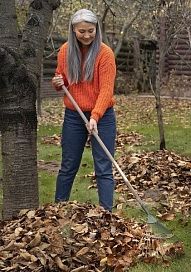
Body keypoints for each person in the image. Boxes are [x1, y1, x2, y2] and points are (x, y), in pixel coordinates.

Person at [51, 9, 117, 211]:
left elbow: (106, 90)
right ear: (73, 30)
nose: (87, 35)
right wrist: (57, 82)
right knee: (68, 165)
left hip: (103, 116)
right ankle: (58, 209)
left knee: (104, 167)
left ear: (97, 29)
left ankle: (107, 214)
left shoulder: (105, 54)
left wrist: (95, 116)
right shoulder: (65, 51)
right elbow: (61, 79)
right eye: (82, 31)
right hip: (74, 115)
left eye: (91, 30)